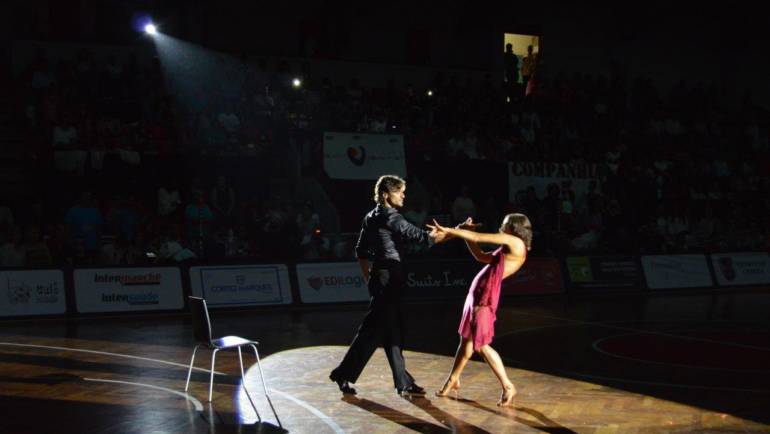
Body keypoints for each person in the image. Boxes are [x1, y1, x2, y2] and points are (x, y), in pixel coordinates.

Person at [329, 175, 447, 396]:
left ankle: (402, 381)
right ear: (386, 194)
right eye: (399, 191)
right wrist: (454, 231)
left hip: (382, 278)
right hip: (390, 279)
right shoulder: (391, 217)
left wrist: (369, 278)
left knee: (391, 332)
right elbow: (421, 237)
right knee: (374, 332)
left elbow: (361, 252)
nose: (404, 195)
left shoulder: (370, 216)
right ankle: (343, 373)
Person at [427, 214, 532, 406]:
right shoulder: (507, 246)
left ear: (515, 228)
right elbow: (480, 255)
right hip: (476, 295)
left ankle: (508, 386)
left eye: (505, 223)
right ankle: (454, 379)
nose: (501, 225)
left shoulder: (515, 242)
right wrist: (466, 233)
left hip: (484, 299)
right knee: (466, 340)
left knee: (481, 344)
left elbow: (477, 238)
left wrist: (451, 230)